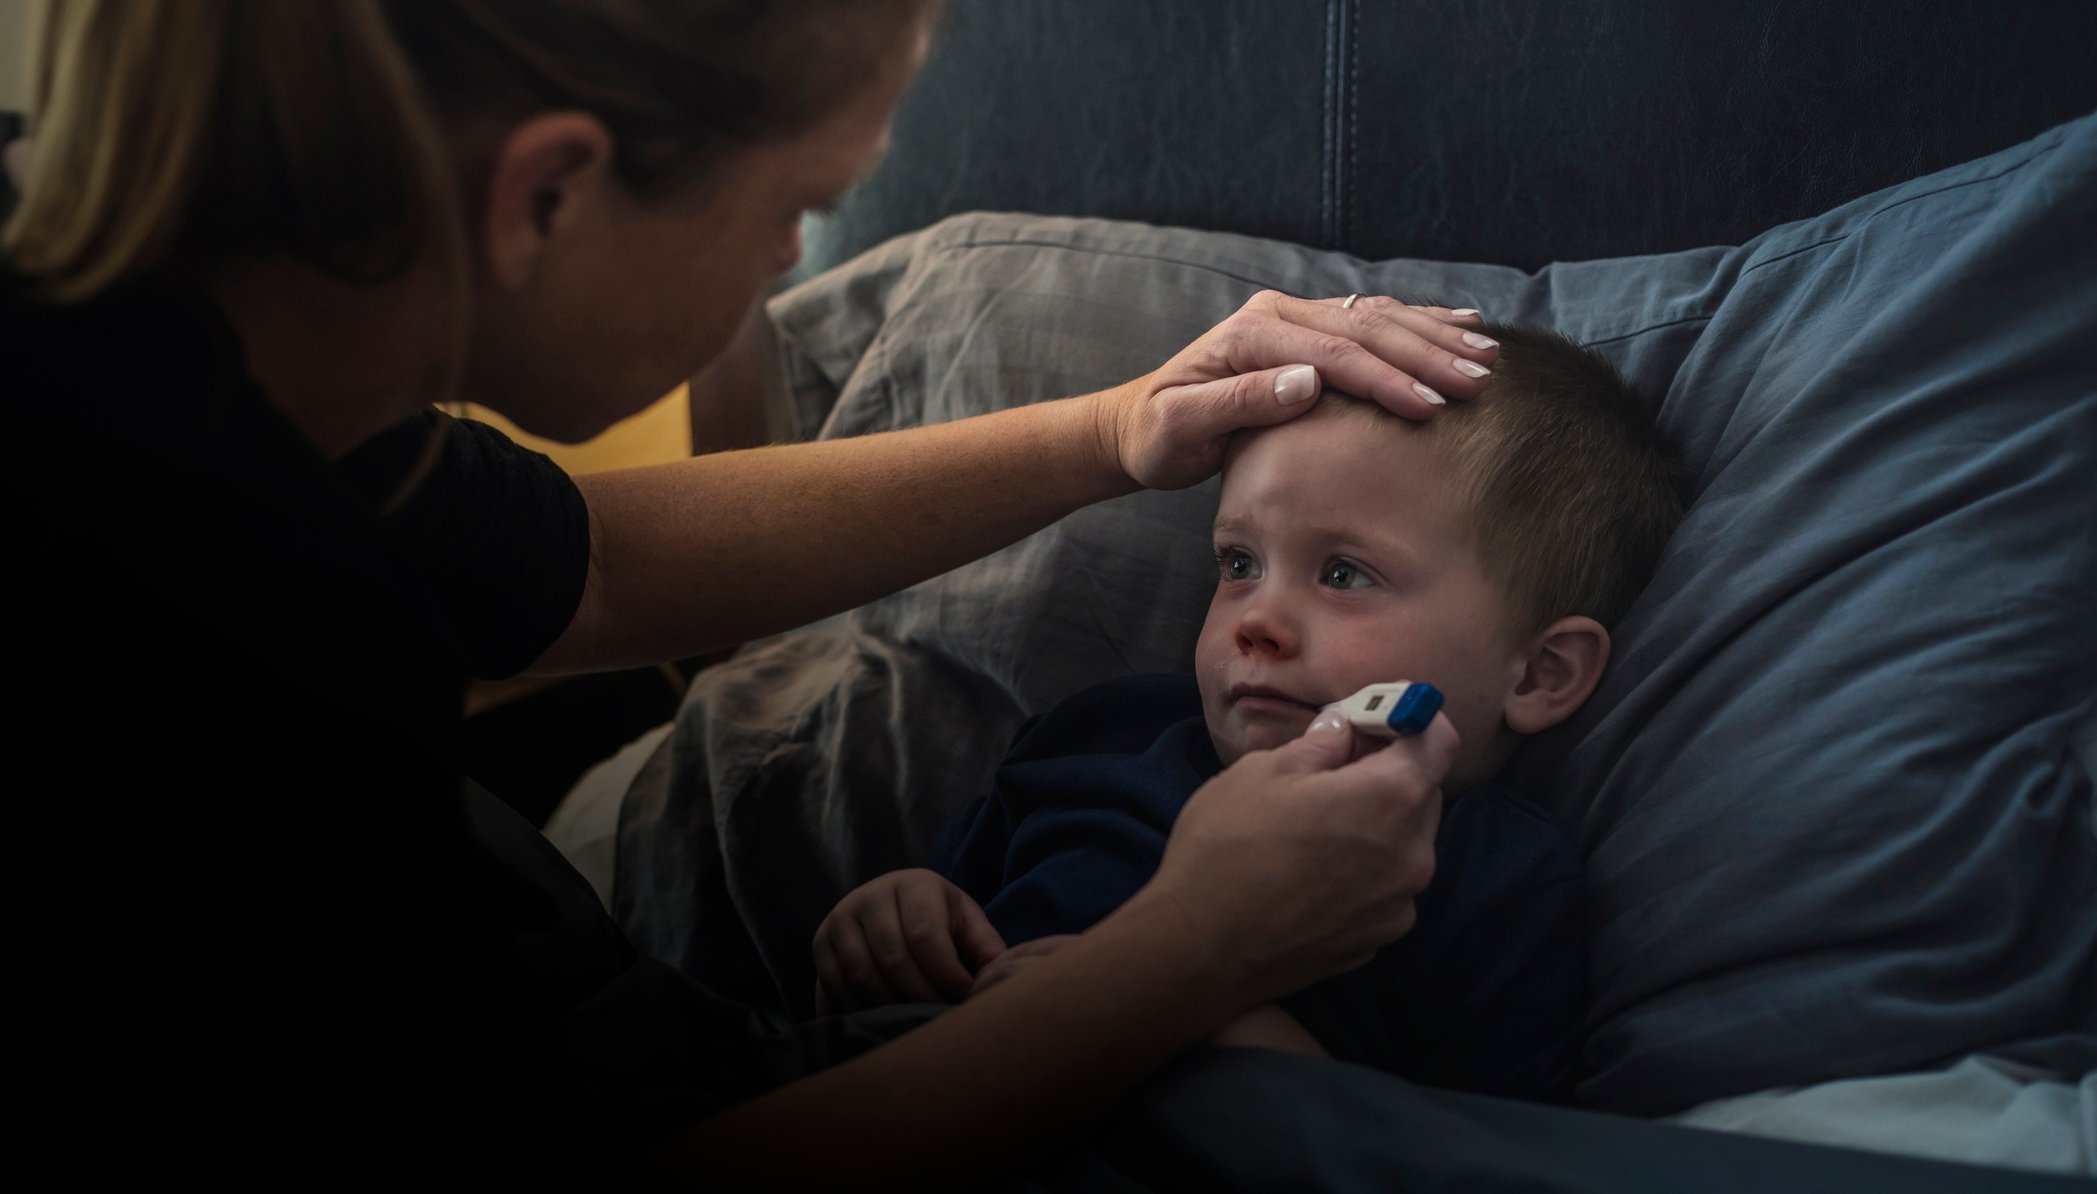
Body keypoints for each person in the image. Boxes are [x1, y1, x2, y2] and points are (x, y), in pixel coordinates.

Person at [1, 1, 1503, 1184]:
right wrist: (1188, 954)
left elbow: (579, 562)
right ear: (551, 192)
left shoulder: (212, 353)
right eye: (799, 203)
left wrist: (1115, 428)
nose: (797, 259)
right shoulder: (197, 604)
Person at [814, 325, 1691, 1100]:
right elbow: (950, 907)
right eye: (1237, 563)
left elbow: (1475, 1160)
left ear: (1539, 673)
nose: (1256, 622)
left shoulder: (1491, 874)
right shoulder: (1100, 734)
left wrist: (1248, 1049)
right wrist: (897, 915)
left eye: (1343, 574)